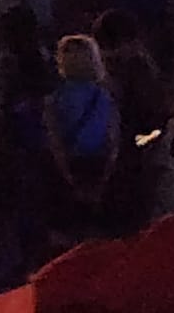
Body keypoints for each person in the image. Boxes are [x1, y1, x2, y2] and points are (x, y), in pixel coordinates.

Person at [44, 35, 120, 238]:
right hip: (99, 164)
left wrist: (65, 173)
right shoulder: (104, 96)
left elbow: (54, 139)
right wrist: (106, 175)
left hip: (70, 164)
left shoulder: (56, 99)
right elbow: (112, 138)